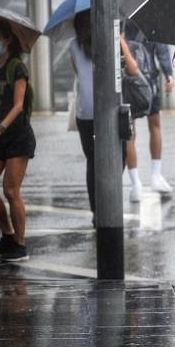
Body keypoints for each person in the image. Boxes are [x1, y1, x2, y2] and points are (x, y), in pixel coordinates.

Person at [70, 12, 138, 224]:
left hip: (85, 112)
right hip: (111, 109)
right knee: (118, 157)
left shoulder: (74, 45)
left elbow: (79, 73)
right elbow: (134, 70)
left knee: (93, 161)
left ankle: (97, 211)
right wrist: (119, 38)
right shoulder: (110, 44)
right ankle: (108, 199)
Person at [0, 20, 35, 262]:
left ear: (7, 40)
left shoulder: (17, 68)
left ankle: (20, 244)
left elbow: (18, 106)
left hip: (16, 136)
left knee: (11, 190)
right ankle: (7, 234)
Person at [123, 20, 175, 202]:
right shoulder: (152, 20)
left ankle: (135, 183)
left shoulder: (119, 21)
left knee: (130, 132)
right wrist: (169, 74)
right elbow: (161, 50)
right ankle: (155, 175)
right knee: (155, 125)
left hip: (126, 82)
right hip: (149, 83)